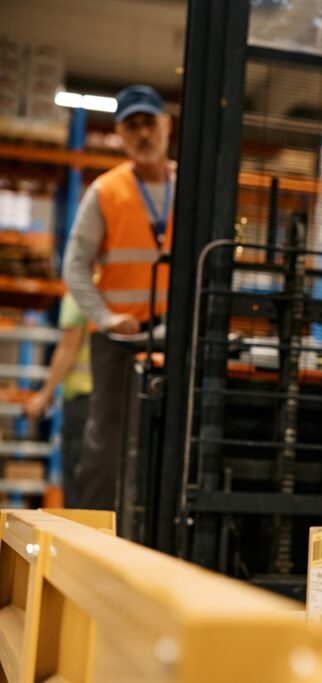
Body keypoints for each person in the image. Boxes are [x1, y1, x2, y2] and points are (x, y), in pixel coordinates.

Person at [63, 84, 175, 510]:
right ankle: (96, 534)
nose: (144, 133)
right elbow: (74, 265)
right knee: (106, 443)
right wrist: (105, 317)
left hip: (172, 338)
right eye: (133, 126)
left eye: (150, 122)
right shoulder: (105, 192)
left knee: (171, 437)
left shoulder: (191, 189)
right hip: (118, 341)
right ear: (121, 134)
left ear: (166, 125)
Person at [23, 293, 92, 507]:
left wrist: (45, 393)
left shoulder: (78, 293)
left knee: (77, 477)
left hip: (83, 398)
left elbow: (69, 346)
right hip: (111, 396)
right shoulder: (110, 287)